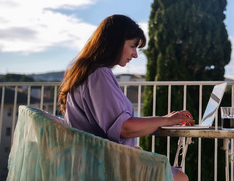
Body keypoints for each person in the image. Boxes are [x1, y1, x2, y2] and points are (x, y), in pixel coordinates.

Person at [58, 14, 193, 181]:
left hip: (89, 162)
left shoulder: (85, 72)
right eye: (133, 46)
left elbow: (117, 125)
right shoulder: (99, 74)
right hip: (104, 167)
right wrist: (165, 121)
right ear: (115, 43)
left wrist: (164, 119)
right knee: (179, 177)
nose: (135, 54)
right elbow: (124, 128)